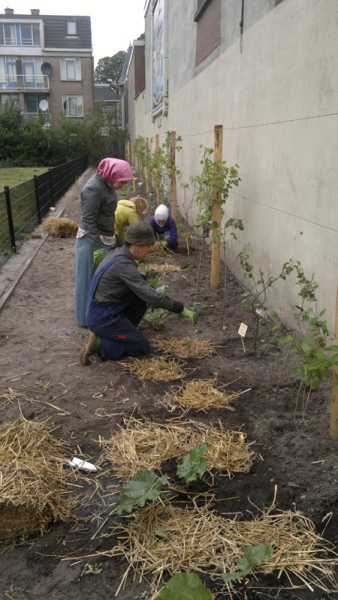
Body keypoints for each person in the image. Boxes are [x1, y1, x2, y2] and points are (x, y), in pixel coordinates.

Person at [80, 222, 186, 365]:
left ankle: (120, 333)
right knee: (141, 347)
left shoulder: (117, 253)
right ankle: (99, 344)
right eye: (147, 246)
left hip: (104, 309)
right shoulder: (123, 266)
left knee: (139, 298)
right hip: (104, 316)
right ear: (136, 245)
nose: (149, 250)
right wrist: (176, 307)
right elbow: (150, 295)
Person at [74, 157, 133, 327]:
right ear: (111, 174)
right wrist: (95, 247)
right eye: (121, 181)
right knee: (86, 281)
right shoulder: (93, 189)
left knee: (100, 280)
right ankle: (84, 320)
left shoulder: (106, 184)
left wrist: (112, 237)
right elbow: (89, 220)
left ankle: (95, 316)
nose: (123, 185)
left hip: (103, 238)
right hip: (90, 241)